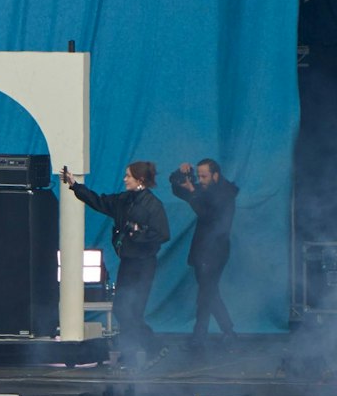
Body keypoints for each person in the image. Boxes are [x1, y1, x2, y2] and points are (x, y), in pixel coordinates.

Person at [63, 160, 169, 367]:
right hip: (129, 262)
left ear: (140, 180)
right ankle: (135, 351)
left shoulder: (153, 205)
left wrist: (138, 233)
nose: (124, 179)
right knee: (122, 308)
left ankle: (151, 348)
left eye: (128, 176)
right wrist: (75, 185)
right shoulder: (124, 200)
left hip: (143, 264)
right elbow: (99, 202)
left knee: (133, 310)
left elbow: (163, 234)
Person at [168, 157, 238, 344]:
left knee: (206, 292)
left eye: (204, 176)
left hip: (216, 250)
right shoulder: (204, 190)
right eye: (199, 176)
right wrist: (180, 173)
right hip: (203, 250)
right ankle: (225, 331)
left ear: (215, 175)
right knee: (209, 291)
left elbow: (207, 215)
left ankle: (202, 335)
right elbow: (176, 188)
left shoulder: (225, 193)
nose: (200, 180)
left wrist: (192, 191)